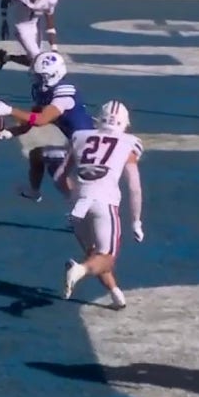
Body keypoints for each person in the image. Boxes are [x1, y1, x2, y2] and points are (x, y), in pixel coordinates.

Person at [59, 100, 145, 311]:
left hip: (78, 204)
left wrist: (74, 195)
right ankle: (78, 270)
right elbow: (134, 186)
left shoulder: (79, 136)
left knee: (94, 255)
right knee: (106, 259)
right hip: (103, 203)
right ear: (124, 123)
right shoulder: (128, 143)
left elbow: (61, 175)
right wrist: (136, 221)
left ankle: (116, 295)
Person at [0, 52, 95, 202]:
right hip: (78, 141)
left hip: (87, 145)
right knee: (37, 155)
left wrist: (10, 110)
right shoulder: (47, 90)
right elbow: (34, 116)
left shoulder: (64, 92)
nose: (35, 78)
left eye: (40, 76)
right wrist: (9, 133)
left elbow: (41, 120)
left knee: (58, 172)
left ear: (53, 75)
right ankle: (35, 191)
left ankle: (80, 208)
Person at [0, 0, 58, 71]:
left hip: (35, 26)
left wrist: (54, 48)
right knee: (38, 60)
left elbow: (50, 24)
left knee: (32, 61)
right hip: (21, 27)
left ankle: (5, 57)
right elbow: (5, 0)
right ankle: (40, 84)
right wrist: (4, 20)